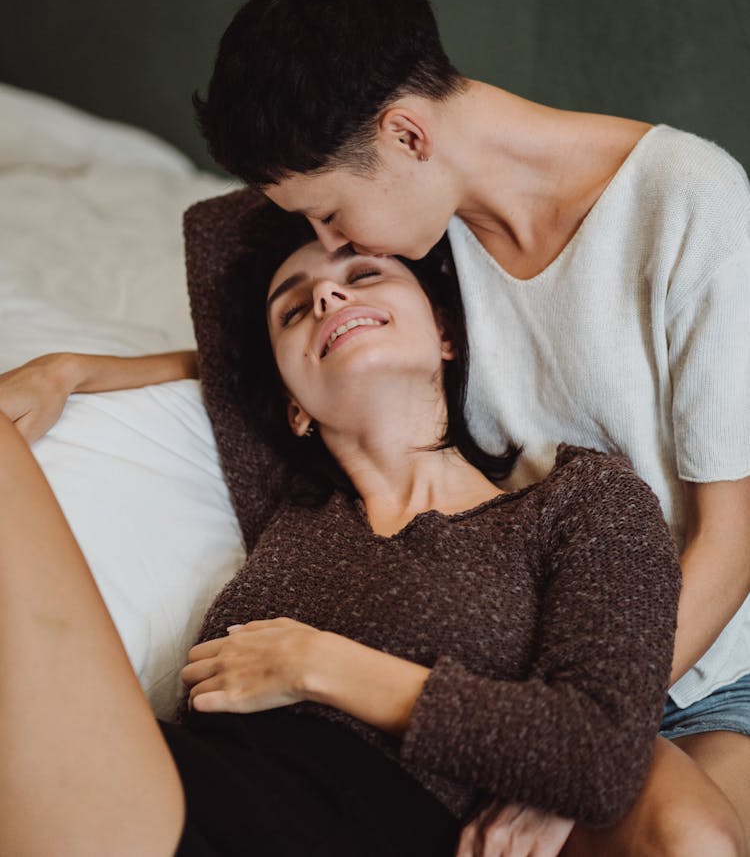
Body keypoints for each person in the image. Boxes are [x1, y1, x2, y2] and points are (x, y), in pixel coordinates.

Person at [2, 0, 748, 855]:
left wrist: (565, 746)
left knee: (698, 833)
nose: (327, 245)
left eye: (329, 216)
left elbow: (732, 539)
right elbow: (294, 361)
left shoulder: (692, 205)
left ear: (406, 134)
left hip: (700, 662)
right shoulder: (432, 243)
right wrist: (82, 369)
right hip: (514, 668)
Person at [0, 206, 680, 857]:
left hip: (338, 831)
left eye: (364, 274)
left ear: (446, 330)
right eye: (294, 308)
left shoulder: (579, 502)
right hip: (179, 787)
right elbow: (224, 246)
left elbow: (598, 752)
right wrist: (71, 368)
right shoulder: (289, 499)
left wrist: (318, 665)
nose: (327, 296)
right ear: (293, 405)